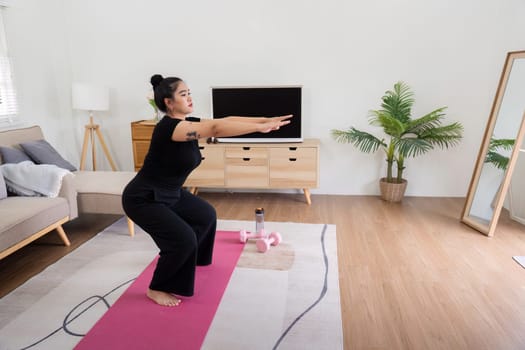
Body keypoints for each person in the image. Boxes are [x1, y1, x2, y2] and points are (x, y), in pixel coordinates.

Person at [122, 75, 292, 307]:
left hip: (170, 192)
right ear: (168, 103)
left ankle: (192, 261)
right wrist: (260, 128)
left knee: (205, 216)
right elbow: (216, 128)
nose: (190, 97)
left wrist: (263, 120)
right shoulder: (170, 128)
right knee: (183, 239)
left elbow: (225, 119)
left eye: (189, 92)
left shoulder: (188, 122)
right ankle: (157, 287)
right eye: (183, 94)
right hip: (144, 198)